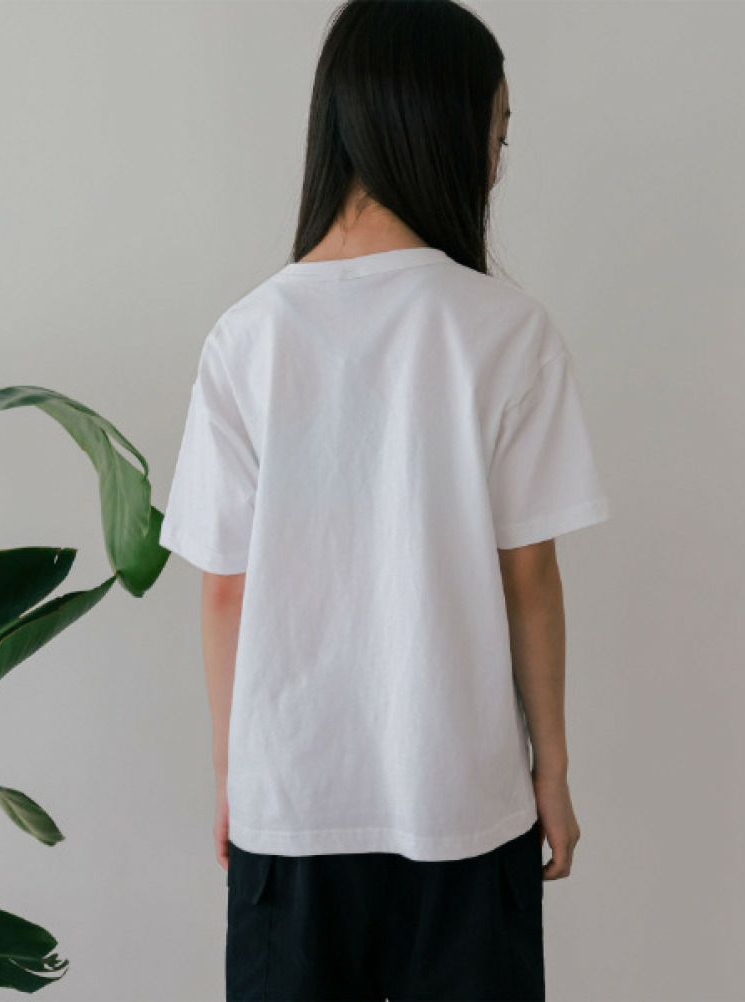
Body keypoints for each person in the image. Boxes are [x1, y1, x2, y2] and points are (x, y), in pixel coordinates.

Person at [158, 1, 611, 998]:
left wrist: (236, 780)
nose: (497, 163)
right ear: (438, 126)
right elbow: (529, 575)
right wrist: (552, 771)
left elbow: (225, 588)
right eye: (497, 132)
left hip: (292, 807)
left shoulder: (247, 336)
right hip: (467, 803)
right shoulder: (506, 330)